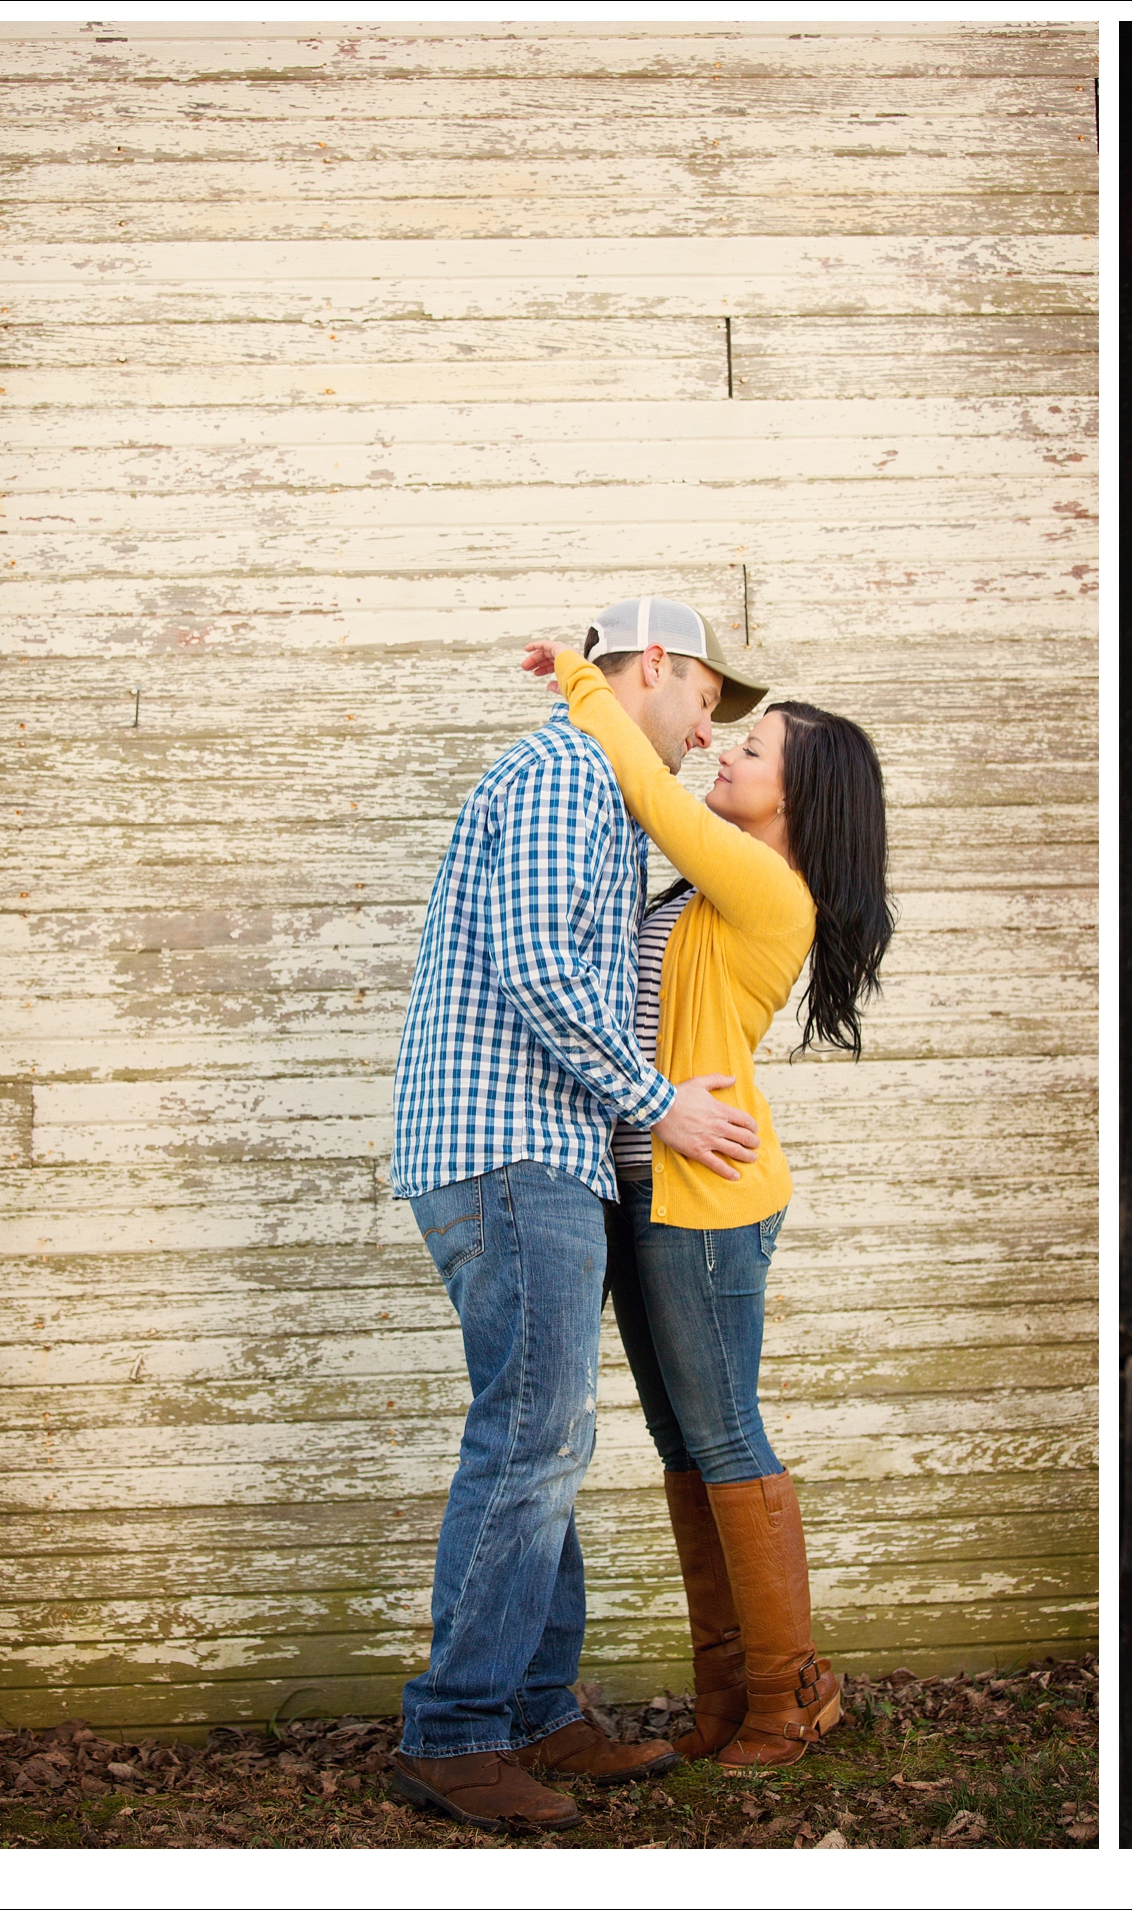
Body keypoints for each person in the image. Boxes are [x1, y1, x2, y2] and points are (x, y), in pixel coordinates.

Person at [386, 596, 771, 1832]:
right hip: (510, 1148)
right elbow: (542, 963)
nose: (710, 729)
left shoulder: (596, 779)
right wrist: (664, 1102)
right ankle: (454, 1731)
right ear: (652, 666)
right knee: (530, 1433)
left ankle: (540, 1709)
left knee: (542, 1431)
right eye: (709, 695)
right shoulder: (564, 772)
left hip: (538, 1149)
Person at [518, 598, 893, 1770]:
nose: (726, 748)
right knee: (685, 1444)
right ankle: (728, 1694)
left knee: (726, 1434)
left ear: (800, 795)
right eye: (732, 735)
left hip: (708, 1200)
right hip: (643, 1188)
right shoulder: (695, 890)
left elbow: (649, 788)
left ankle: (791, 1694)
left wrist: (588, 684)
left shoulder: (771, 888)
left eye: (754, 747)